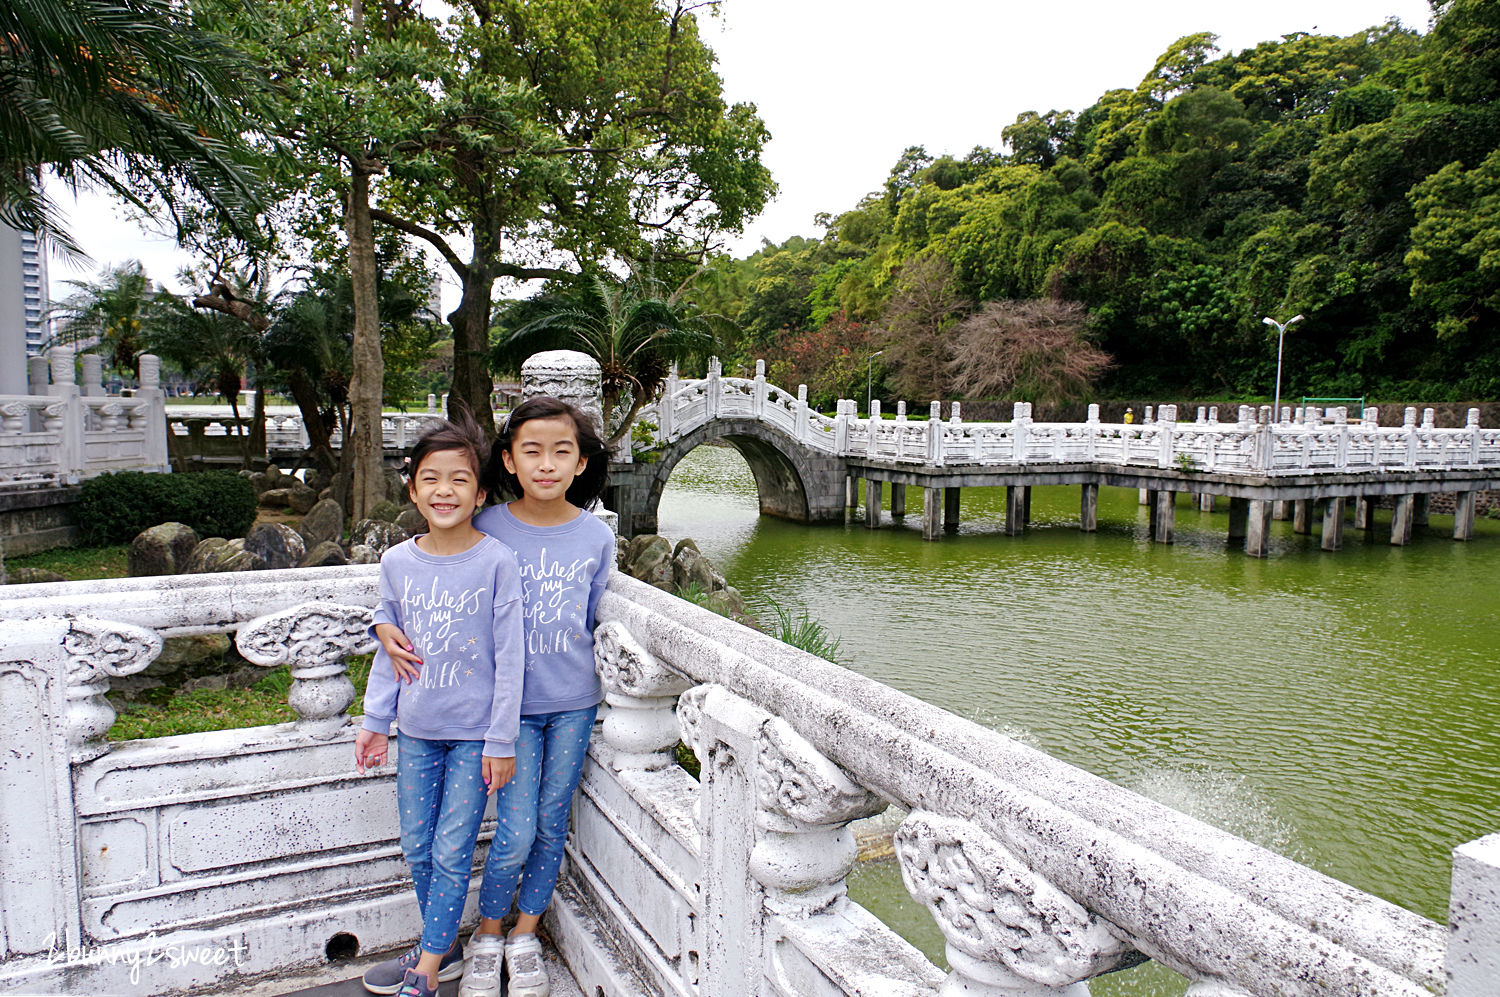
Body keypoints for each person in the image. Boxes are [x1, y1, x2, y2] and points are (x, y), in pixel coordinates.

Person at [377, 396, 614, 997]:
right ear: (506, 462)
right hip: (500, 714)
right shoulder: (488, 526)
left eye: (563, 451)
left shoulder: (596, 537)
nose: (546, 464)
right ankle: (484, 933)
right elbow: (430, 573)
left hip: (571, 702)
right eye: (530, 451)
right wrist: (379, 624)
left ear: (582, 463)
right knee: (513, 832)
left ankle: (524, 933)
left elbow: (596, 617)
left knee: (549, 823)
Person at [355, 413, 525, 997]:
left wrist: (502, 741)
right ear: (412, 489)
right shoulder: (398, 562)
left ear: (480, 493)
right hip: (418, 731)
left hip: (476, 736)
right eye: (431, 478)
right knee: (417, 846)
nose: (444, 491)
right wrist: (376, 722)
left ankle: (426, 968)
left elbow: (511, 662)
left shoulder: (497, 561)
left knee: (453, 848)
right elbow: (392, 651)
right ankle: (443, 943)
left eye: (459, 480)